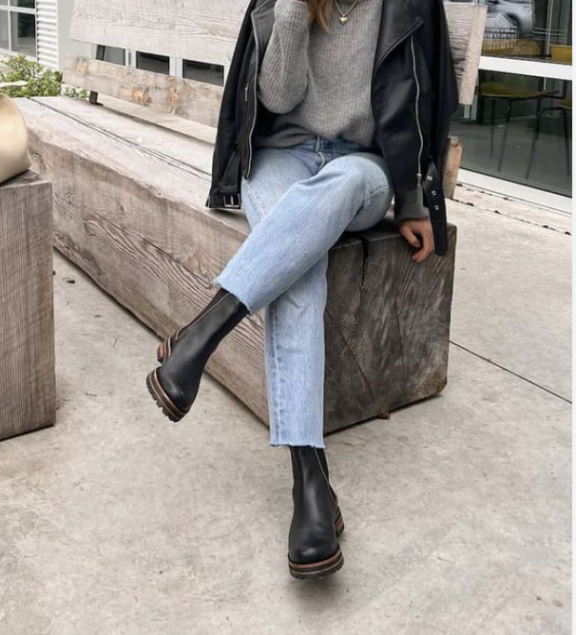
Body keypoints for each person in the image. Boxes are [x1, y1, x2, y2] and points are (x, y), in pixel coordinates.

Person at [146, 0, 459, 580]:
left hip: (361, 172)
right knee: (298, 274)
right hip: (279, 162)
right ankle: (310, 483)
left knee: (337, 185)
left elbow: (427, 98)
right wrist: (291, 10)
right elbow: (278, 98)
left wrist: (415, 202)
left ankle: (201, 333)